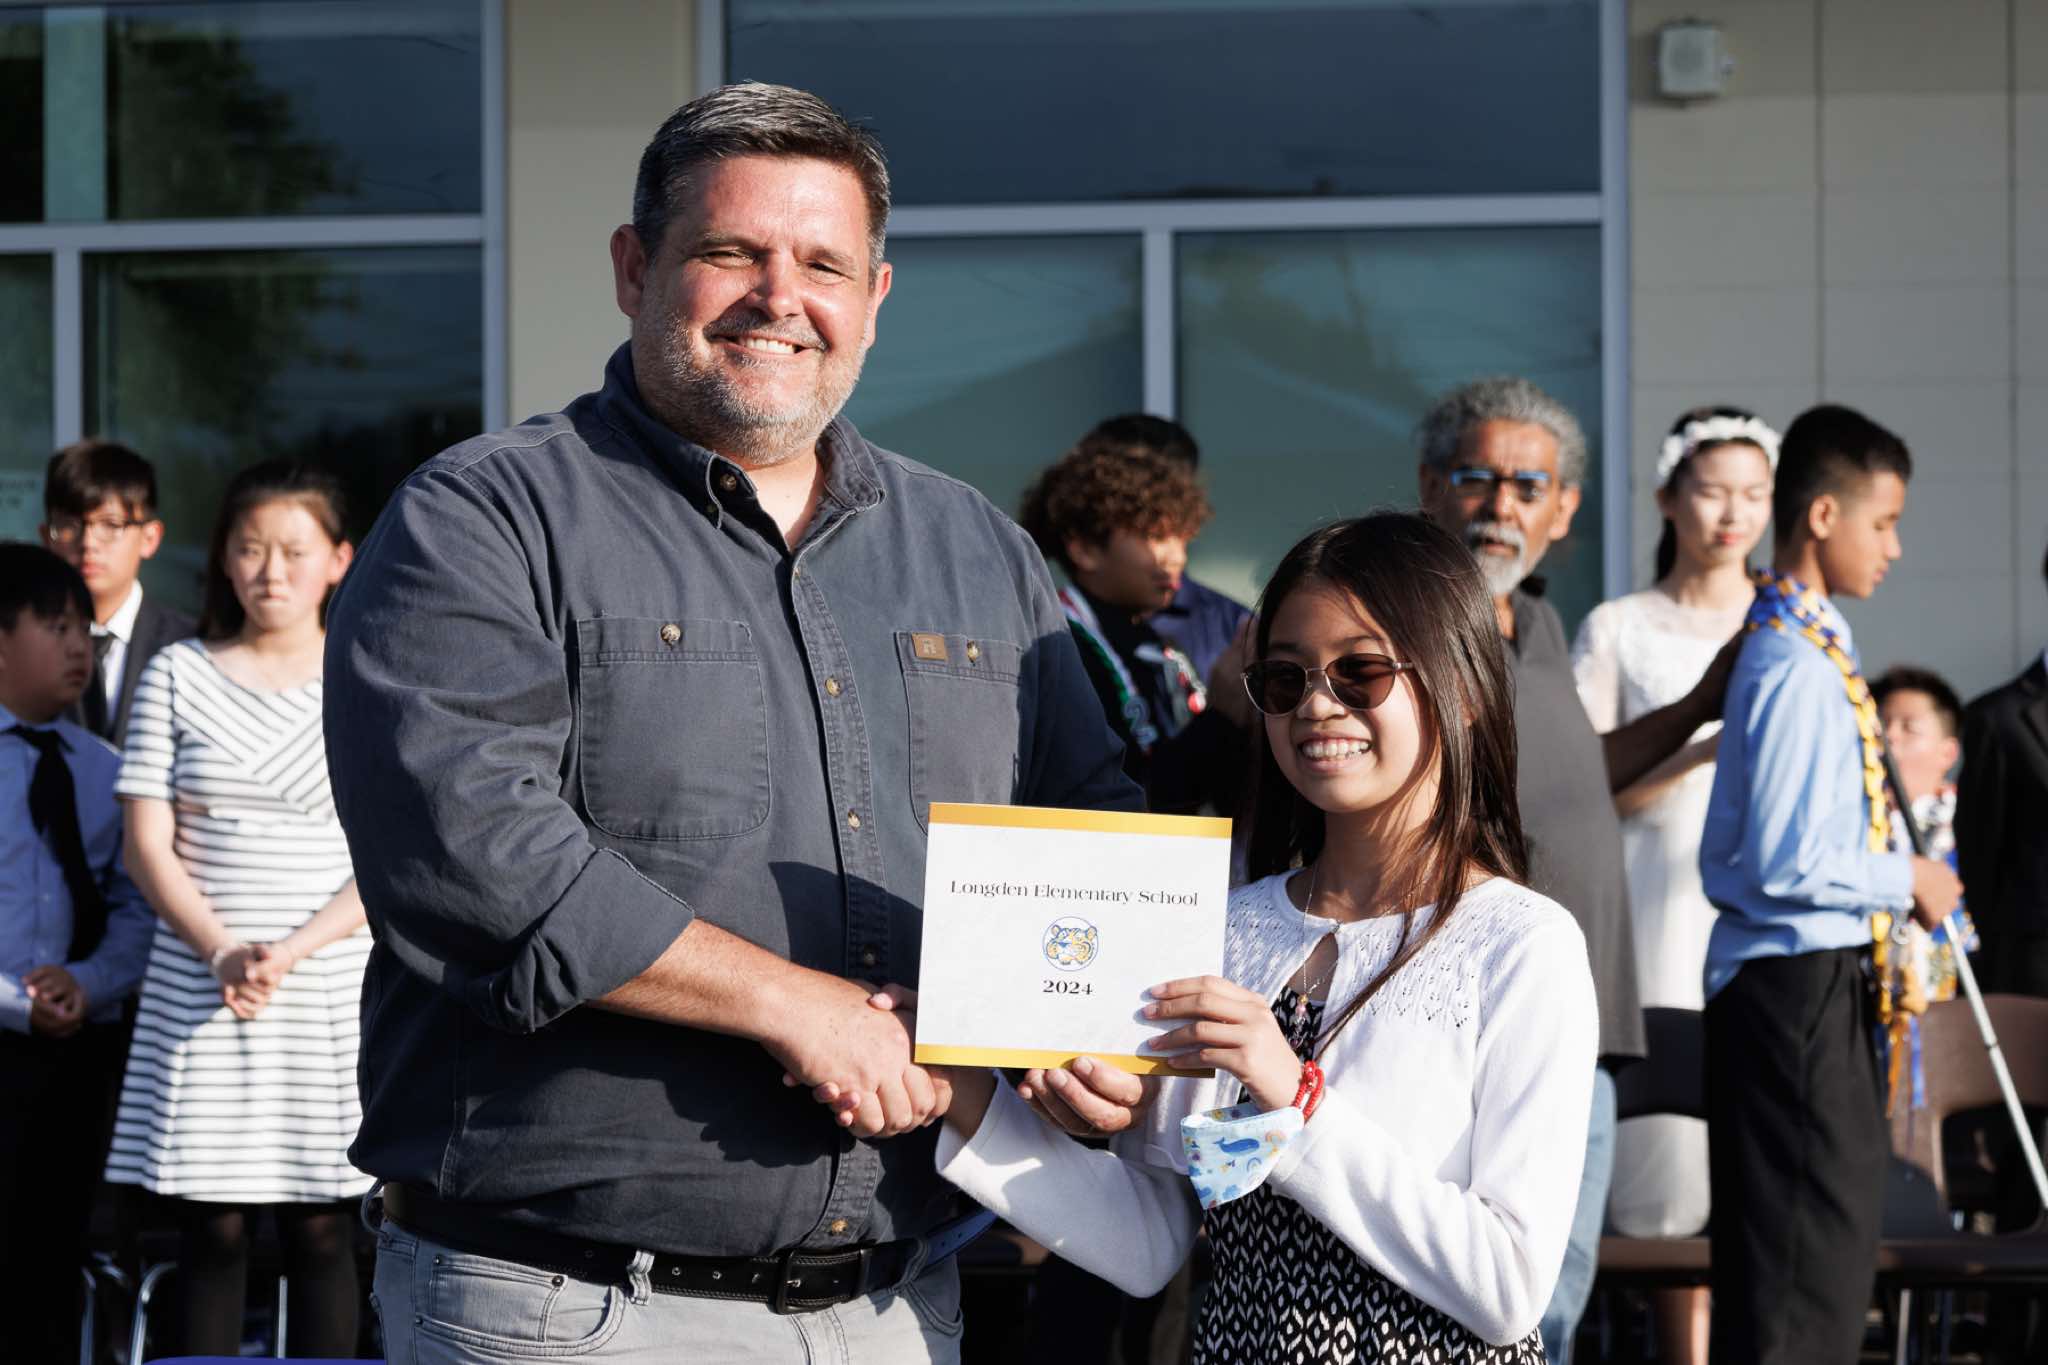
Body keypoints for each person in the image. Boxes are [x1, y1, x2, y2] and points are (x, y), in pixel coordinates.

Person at [322, 82, 1137, 1363]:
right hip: (568, 1312)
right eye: (730, 253)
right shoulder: (480, 520)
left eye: (823, 265)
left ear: (875, 296)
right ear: (633, 268)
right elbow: (469, 857)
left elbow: (1092, 828)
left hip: (898, 1308)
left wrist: (1085, 1030)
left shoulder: (976, 549)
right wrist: (792, 1005)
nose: (779, 298)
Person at [891, 512, 1595, 1362]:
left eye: (1361, 671)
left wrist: (1294, 1098)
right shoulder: (1224, 927)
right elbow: (1148, 1241)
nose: (1318, 705)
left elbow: (1510, 1285)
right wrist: (963, 1090)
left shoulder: (1523, 945)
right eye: (1285, 679)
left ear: (1467, 687)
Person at [1697, 404, 1963, 1365]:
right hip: (1793, 993)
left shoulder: (1808, 645)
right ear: (1820, 516)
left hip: (1808, 987)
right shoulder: (1792, 660)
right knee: (1799, 1283)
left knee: (1816, 1269)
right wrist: (1909, 873)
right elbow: (1783, 858)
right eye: (1882, 522)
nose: (1894, 546)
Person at [1414, 376, 1664, 1364]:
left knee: (1553, 1302)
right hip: (1473, 1012)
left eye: (1528, 487)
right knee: (1491, 1298)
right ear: (1430, 486)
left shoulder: (1539, 622)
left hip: (1584, 1016)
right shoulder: (1407, 620)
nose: (1500, 506)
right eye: (1477, 478)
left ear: (1563, 509)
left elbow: (1576, 769)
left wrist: (1703, 707)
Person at [105, 461, 369, 1357]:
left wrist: (291, 949)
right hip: (200, 980)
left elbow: (394, 853)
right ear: (223, 557)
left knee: (325, 1229)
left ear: (339, 559)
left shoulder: (368, 677)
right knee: (210, 1228)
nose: (271, 570)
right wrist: (221, 949)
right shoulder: (176, 673)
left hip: (325, 982)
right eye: (250, 548)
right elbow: (146, 843)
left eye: (294, 550)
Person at [1570, 406, 1777, 1365]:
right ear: (1667, 497)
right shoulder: (1618, 624)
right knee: (1666, 1164)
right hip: (1653, 911)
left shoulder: (1788, 619)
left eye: (1753, 494)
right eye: (1711, 492)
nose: (1732, 514)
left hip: (1759, 913)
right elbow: (1580, 787)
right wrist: (1697, 750)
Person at [0, 543, 155, 1364]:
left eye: (84, 633)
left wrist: (88, 986)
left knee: (52, 1251)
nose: (78, 649)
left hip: (76, 1050)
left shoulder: (105, 772)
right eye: (56, 627)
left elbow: (138, 905)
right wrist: (15, 1001)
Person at [1020, 441, 1243, 814]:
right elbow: (1123, 794)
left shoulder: (1150, 637)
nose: (1176, 557)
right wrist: (1221, 712)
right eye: (1155, 536)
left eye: (1181, 537)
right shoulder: (1060, 646)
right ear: (1085, 548)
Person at [40, 438, 196, 747]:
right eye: (69, 525)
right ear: (47, 537)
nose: (88, 543)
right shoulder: (20, 646)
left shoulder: (192, 645)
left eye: (111, 525)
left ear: (150, 538)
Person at [1074, 414, 1251, 684]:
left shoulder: (1235, 628)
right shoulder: (1053, 629)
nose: (1175, 556)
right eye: (1149, 531)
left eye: (1176, 524)